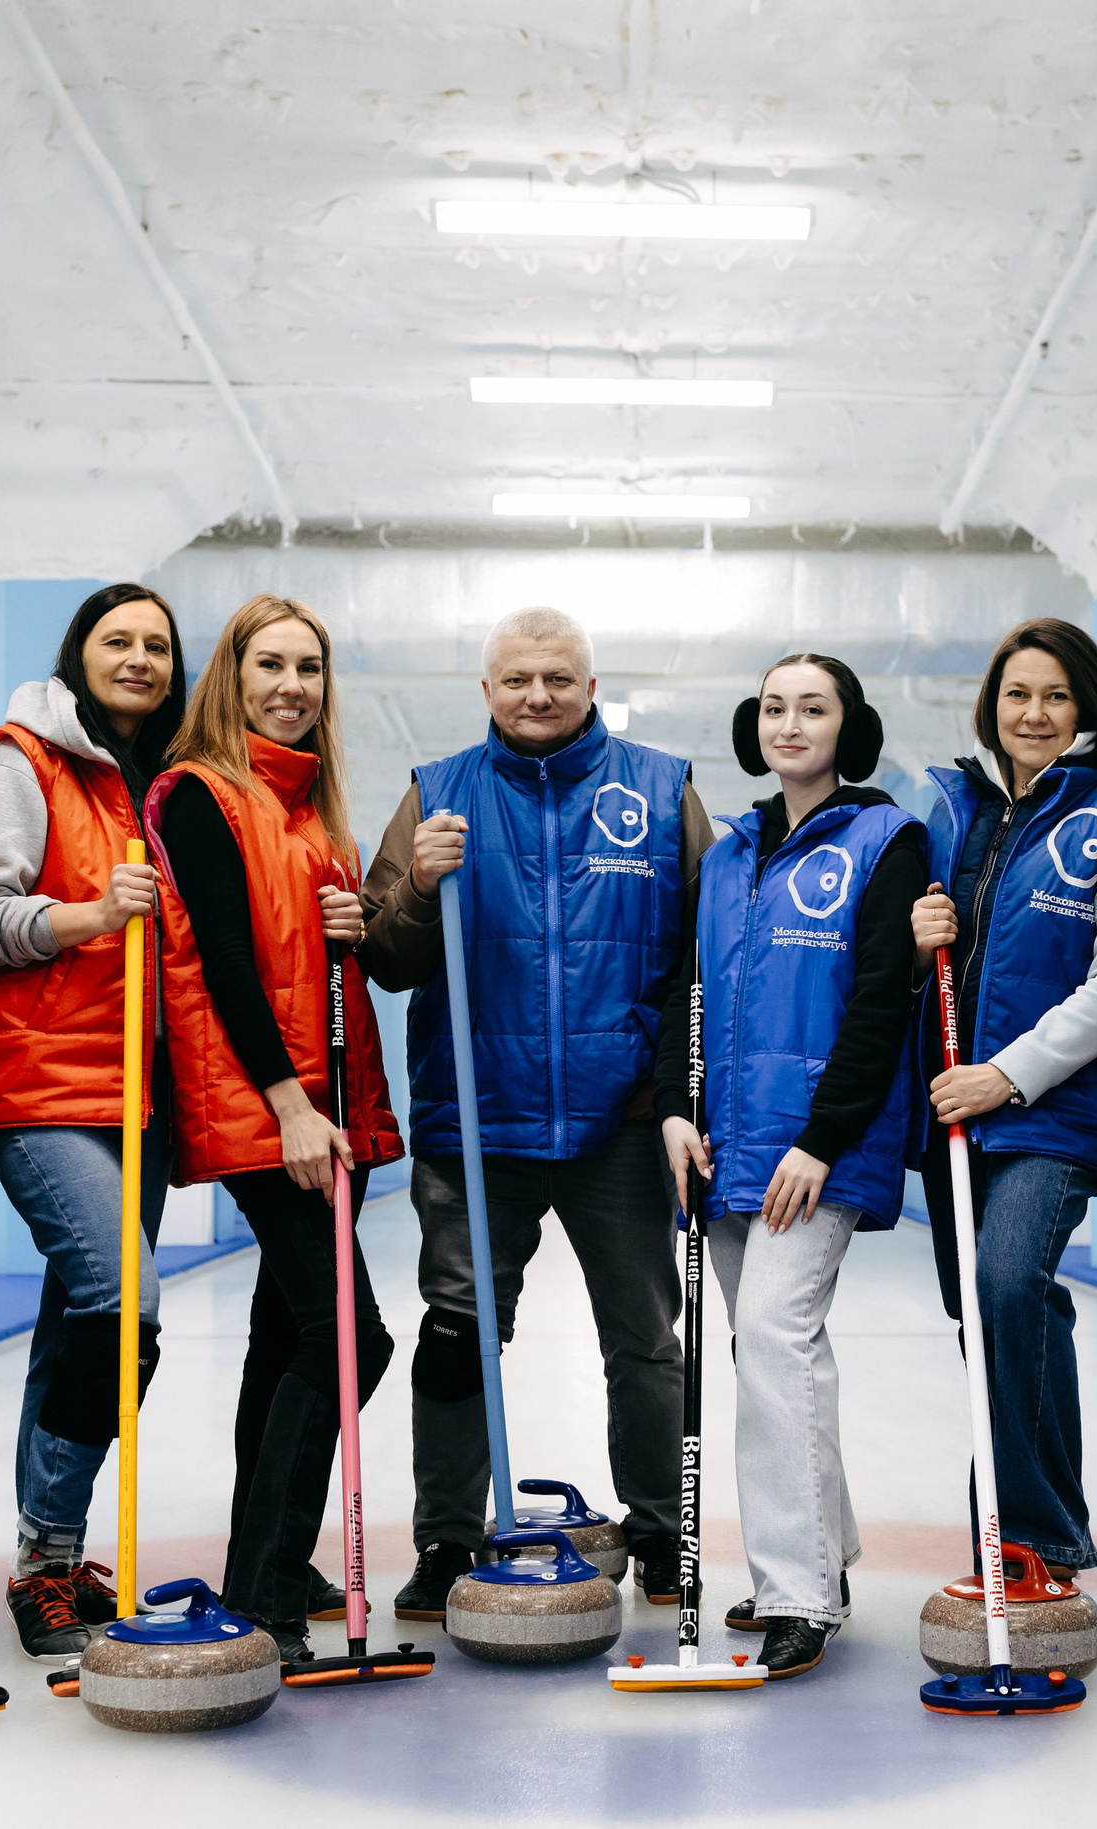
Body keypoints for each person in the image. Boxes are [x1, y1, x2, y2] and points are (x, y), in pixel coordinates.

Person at [358, 605, 707, 1618]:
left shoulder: (662, 788)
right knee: (458, 1329)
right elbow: (385, 956)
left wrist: (679, 1098)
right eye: (517, 679)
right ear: (486, 692)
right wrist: (419, 884)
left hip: (622, 1124)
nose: (538, 695)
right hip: (478, 1120)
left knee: (644, 1336)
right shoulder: (436, 793)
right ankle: (444, 1535)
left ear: (591, 686)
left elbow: (705, 954)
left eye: (558, 677)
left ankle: (660, 1532)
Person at [655, 654, 928, 1680]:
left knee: (774, 1335)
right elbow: (686, 990)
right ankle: (824, 1554)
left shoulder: (887, 842)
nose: (789, 722)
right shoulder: (727, 854)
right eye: (773, 705)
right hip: (725, 1145)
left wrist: (821, 1138)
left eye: (813, 707)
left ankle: (798, 1589)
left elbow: (877, 1006)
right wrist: (676, 1115)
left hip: (816, 1147)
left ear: (847, 725)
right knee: (767, 1349)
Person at [146, 593, 405, 1660]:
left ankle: (267, 1557)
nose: (291, 684)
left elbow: (302, 955)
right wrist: (292, 1103)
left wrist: (350, 922)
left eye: (309, 667)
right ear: (231, 675)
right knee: (352, 1334)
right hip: (261, 1103)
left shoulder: (309, 816)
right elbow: (223, 961)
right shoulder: (204, 793)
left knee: (286, 1335)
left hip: (306, 1102)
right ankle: (261, 1585)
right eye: (269, 664)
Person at [908, 619, 1097, 1605]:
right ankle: (1020, 1531)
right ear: (992, 707)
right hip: (950, 1113)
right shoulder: (955, 813)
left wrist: (1007, 1076)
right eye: (1017, 694)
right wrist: (915, 932)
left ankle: (1029, 1535)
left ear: (1087, 707)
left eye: (1056, 695)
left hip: (1050, 1112)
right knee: (987, 1315)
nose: (1034, 713)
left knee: (1010, 1285)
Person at [0, 581, 183, 1659]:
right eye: (116, 640)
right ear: (76, 652)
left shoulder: (166, 779)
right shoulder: (21, 758)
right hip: (42, 1082)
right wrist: (91, 914)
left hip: (136, 1090)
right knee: (126, 1308)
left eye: (155, 645)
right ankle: (46, 1552)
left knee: (80, 1324)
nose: (138, 658)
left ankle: (49, 1558)